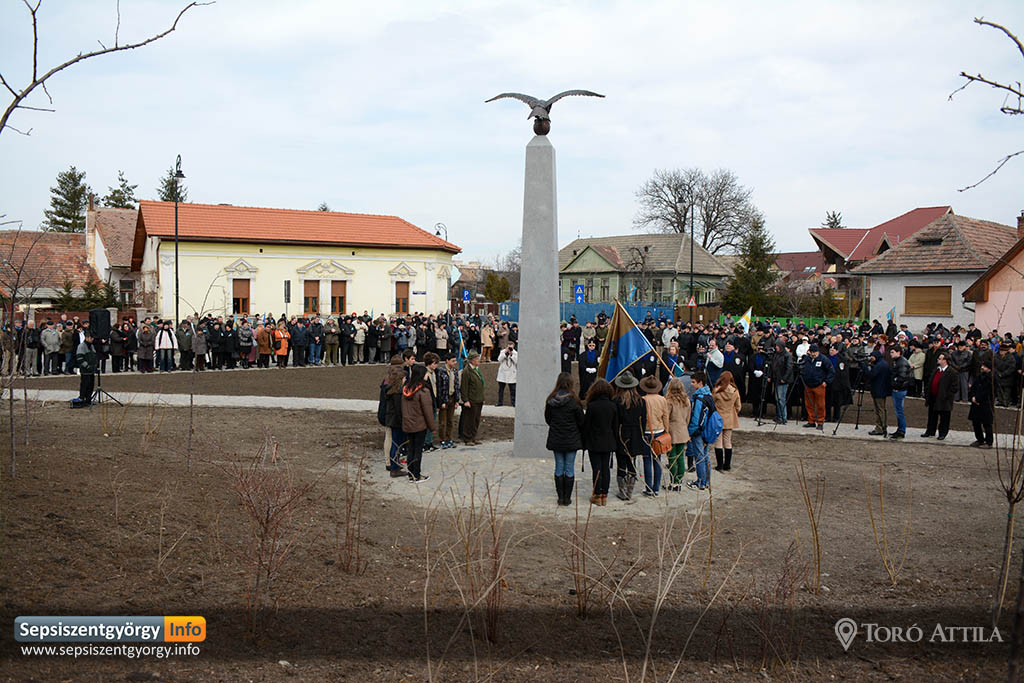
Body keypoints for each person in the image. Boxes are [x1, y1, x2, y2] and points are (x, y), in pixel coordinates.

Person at [545, 372, 584, 506]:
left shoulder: (551, 400)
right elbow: (581, 421)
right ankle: (567, 498)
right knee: (569, 467)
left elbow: (548, 419)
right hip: (571, 438)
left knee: (559, 467)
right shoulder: (575, 401)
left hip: (556, 437)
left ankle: (560, 497)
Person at [583, 379, 619, 506]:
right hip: (608, 441)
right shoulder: (613, 406)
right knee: (606, 469)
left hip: (594, 441)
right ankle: (604, 494)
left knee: (596, 469)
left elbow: (586, 425)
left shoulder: (592, 406)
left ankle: (597, 494)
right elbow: (615, 426)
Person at [613, 371, 645, 501]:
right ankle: (629, 491)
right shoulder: (641, 401)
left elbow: (614, 421)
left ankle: (623, 492)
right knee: (631, 462)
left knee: (621, 463)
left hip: (621, 434)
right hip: (636, 435)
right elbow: (644, 421)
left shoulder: (616, 401)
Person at [401, 364, 435, 483]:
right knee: (417, 450)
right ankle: (417, 475)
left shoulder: (406, 389)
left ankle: (411, 474)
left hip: (408, 424)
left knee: (411, 449)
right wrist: (432, 426)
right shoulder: (423, 391)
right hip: (419, 425)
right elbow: (428, 411)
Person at [638, 375, 669, 497]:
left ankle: (649, 487)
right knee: (657, 460)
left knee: (647, 460)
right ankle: (656, 487)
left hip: (646, 433)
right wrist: (667, 430)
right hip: (659, 431)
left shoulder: (642, 400)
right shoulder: (662, 400)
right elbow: (665, 417)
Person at [922, 351, 959, 440]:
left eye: (940, 358)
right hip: (933, 397)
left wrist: (946, 395)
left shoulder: (952, 372)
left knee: (944, 417)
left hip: (944, 399)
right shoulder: (936, 370)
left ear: (945, 360)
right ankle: (930, 431)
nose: (938, 360)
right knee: (932, 416)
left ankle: (942, 433)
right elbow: (931, 381)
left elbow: (955, 387)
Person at [686, 373, 713, 491]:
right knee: (706, 456)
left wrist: (691, 432)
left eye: (693, 382)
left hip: (698, 431)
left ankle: (700, 482)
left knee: (699, 457)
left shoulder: (699, 398)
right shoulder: (709, 395)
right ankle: (707, 481)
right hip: (707, 430)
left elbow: (696, 418)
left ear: (700, 383)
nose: (691, 385)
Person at [664, 377, 691, 490]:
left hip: (672, 430)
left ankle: (673, 481)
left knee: (672, 458)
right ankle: (679, 481)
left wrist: (665, 430)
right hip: (683, 430)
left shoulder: (669, 401)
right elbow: (688, 417)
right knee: (680, 457)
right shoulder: (687, 400)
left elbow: (666, 418)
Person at [712, 370, 742, 472]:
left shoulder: (717, 391)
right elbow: (738, 406)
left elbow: (712, 404)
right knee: (728, 441)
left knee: (718, 441)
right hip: (730, 417)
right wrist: (734, 413)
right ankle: (727, 465)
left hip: (718, 418)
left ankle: (719, 465)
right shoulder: (735, 391)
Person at [800, 343, 834, 431]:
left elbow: (831, 371)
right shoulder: (807, 359)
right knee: (809, 404)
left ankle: (820, 421)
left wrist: (826, 381)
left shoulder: (824, 359)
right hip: (808, 384)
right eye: (811, 352)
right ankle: (811, 420)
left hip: (819, 385)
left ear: (818, 352)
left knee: (820, 405)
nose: (813, 354)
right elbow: (802, 368)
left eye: (814, 352)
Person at [383, 362, 408, 476]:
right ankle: (394, 467)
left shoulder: (391, 390)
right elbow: (399, 410)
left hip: (392, 420)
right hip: (396, 421)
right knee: (396, 444)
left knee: (395, 443)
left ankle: (395, 465)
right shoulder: (397, 393)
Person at [860, 350, 892, 437]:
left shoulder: (879, 365)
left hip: (878, 390)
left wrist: (865, 367)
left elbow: (871, 375)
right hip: (882, 389)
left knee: (880, 409)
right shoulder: (883, 364)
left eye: (872, 357)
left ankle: (880, 428)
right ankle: (881, 427)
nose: (871, 358)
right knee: (881, 409)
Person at [436, 353, 461, 449]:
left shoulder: (455, 371)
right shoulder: (441, 371)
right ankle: (442, 439)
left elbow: (456, 385)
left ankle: (449, 438)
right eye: (453, 361)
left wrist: (457, 399)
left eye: (455, 361)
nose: (455, 363)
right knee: (442, 421)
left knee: (450, 420)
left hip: (452, 398)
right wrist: (441, 401)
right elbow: (440, 387)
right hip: (444, 399)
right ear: (447, 361)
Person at [460, 350, 485, 445]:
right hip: (472, 399)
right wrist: (465, 400)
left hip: (478, 399)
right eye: (476, 359)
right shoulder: (467, 371)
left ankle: (473, 436)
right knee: (469, 420)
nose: (478, 360)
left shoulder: (476, 369)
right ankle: (467, 438)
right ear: (471, 360)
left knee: (476, 420)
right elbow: (464, 387)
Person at [969, 359, 994, 448]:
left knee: (987, 423)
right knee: (976, 422)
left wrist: (978, 399)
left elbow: (988, 391)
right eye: (982, 366)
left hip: (986, 404)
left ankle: (989, 442)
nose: (982, 367)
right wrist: (973, 397)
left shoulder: (991, 378)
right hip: (976, 403)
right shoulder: (979, 376)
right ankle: (980, 440)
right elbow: (973, 388)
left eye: (985, 366)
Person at [889, 346, 912, 440]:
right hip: (899, 389)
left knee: (899, 411)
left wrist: (895, 385)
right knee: (898, 410)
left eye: (892, 352)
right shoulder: (899, 361)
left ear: (898, 352)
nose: (891, 354)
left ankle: (901, 430)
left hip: (899, 390)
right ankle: (900, 429)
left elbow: (901, 377)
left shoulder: (901, 362)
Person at [770, 339, 794, 424]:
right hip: (777, 379)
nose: (776, 347)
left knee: (781, 399)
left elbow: (789, 368)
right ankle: (779, 416)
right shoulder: (776, 355)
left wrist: (784, 378)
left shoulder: (787, 355)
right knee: (777, 399)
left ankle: (783, 417)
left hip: (783, 380)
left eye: (777, 346)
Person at [76, 331, 98, 405]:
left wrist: (94, 366)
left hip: (91, 370)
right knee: (85, 384)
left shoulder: (91, 346)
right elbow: (79, 359)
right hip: (85, 370)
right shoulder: (81, 346)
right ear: (87, 338)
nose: (92, 340)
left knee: (91, 385)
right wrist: (87, 366)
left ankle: (88, 399)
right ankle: (82, 398)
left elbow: (94, 356)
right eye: (91, 338)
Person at [496, 342, 518, 407]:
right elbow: (499, 359)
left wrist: (511, 355)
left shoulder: (515, 353)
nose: (510, 348)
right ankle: (500, 402)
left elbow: (516, 361)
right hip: (503, 373)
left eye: (511, 347)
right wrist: (505, 354)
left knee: (513, 390)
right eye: (509, 347)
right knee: (501, 389)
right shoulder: (502, 352)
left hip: (511, 373)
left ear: (513, 346)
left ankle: (513, 403)